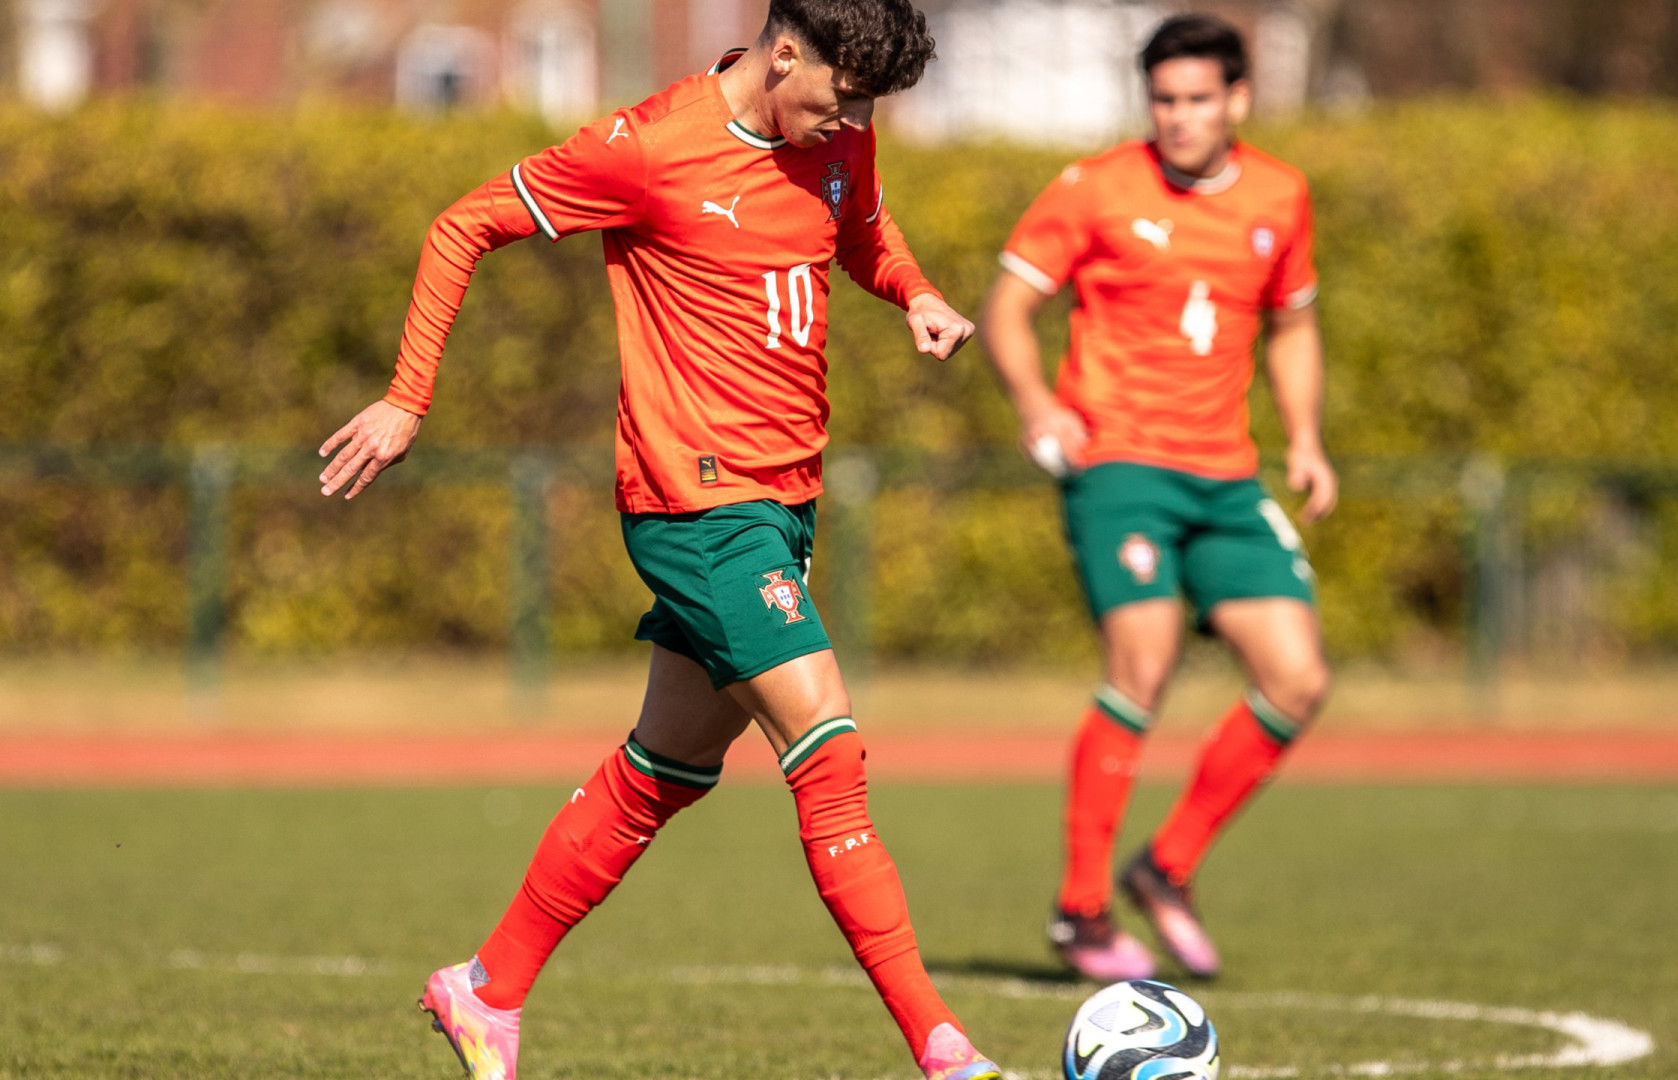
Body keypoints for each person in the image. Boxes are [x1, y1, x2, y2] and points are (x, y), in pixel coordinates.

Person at [316, 4, 999, 1079]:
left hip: (783, 504)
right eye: (842, 95)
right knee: (829, 749)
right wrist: (409, 399)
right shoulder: (646, 149)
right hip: (697, 506)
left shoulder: (836, 142)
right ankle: (944, 1050)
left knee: (667, 768)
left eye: (869, 105)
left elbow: (859, 230)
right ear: (784, 53)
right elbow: (464, 223)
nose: (854, 121)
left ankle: (484, 990)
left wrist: (915, 292)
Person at [980, 13, 1336, 983]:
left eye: (1197, 100)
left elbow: (1292, 327)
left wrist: (1304, 437)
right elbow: (1008, 304)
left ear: (1237, 101)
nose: (1178, 118)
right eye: (1164, 101)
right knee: (1147, 657)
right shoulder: (1093, 189)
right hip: (1120, 464)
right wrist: (1037, 403)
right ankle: (1081, 911)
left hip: (1225, 475)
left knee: (1298, 678)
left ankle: (1166, 867)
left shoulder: (1280, 195)